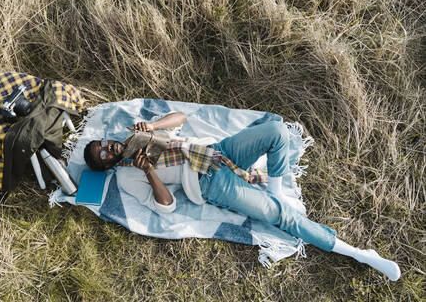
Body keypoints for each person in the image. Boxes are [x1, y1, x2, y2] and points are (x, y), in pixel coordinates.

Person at [83, 112, 401, 281]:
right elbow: (167, 208)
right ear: (107, 166)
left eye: (105, 144)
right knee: (284, 219)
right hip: (208, 183)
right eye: (104, 155)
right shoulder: (126, 177)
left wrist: (152, 125)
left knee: (276, 130)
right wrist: (149, 172)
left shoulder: (132, 135)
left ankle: (276, 193)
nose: (109, 149)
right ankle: (361, 253)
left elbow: (181, 119)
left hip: (216, 153)